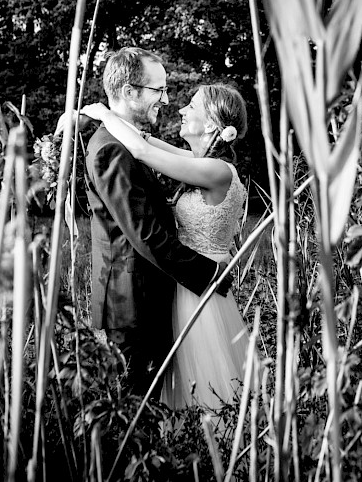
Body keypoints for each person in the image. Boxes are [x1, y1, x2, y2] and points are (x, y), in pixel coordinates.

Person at [80, 82, 251, 410]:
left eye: (192, 106)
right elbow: (142, 140)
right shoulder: (200, 161)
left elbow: (143, 152)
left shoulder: (215, 170)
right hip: (189, 275)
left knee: (206, 382)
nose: (182, 110)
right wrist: (94, 119)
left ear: (213, 124)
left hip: (201, 279)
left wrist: (101, 111)